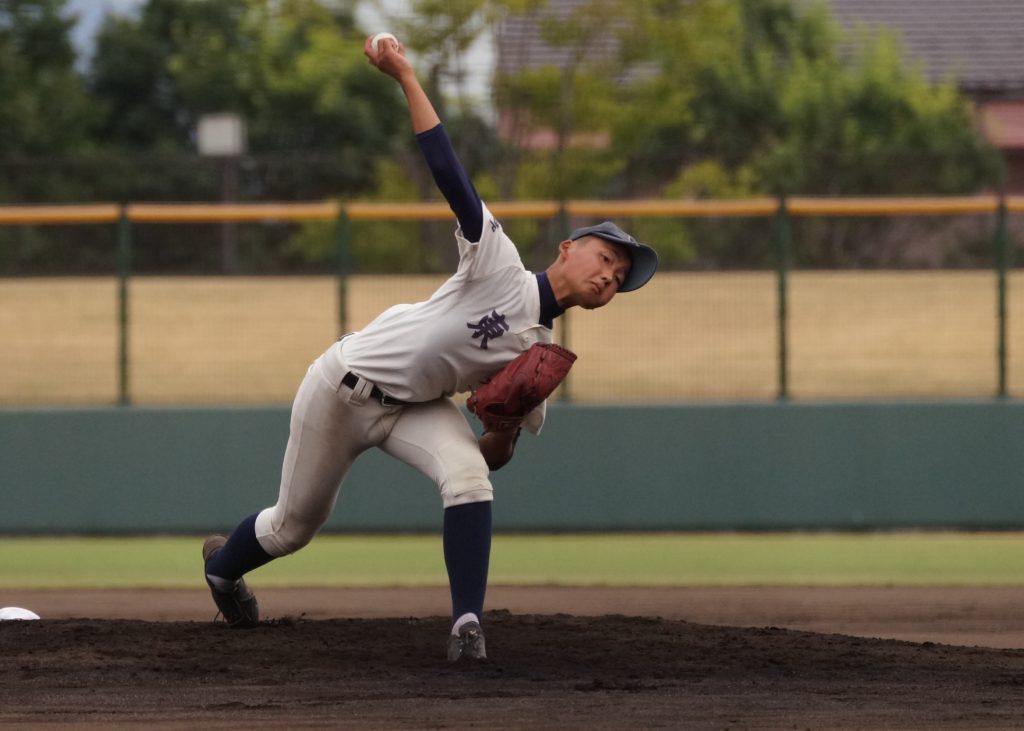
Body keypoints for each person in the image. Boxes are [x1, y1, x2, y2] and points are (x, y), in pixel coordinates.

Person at [201, 33, 658, 662]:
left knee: (469, 478)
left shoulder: (539, 361)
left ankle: (467, 625)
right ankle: (222, 570)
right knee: (292, 527)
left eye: (619, 277)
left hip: (416, 407)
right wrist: (405, 76)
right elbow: (449, 174)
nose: (609, 276)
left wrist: (502, 428)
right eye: (605, 258)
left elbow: (493, 458)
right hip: (343, 386)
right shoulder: (499, 264)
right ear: (567, 249)